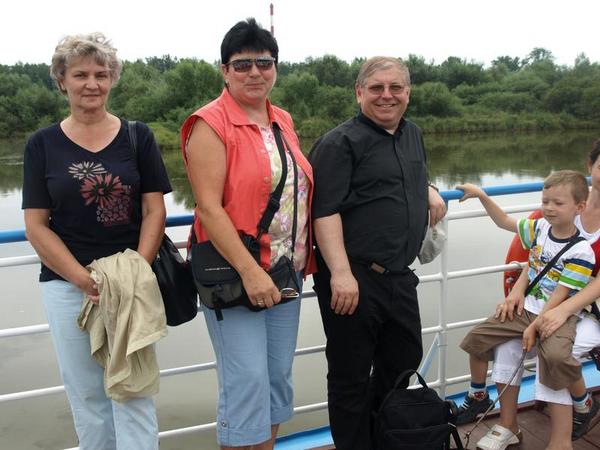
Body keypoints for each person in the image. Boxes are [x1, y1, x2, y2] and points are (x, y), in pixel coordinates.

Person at [22, 33, 171, 450]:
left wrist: (135, 272)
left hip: (131, 284)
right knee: (88, 396)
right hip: (68, 288)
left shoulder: (137, 136)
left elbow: (154, 211)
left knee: (134, 389)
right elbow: (36, 226)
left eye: (101, 74)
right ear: (61, 80)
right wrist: (84, 281)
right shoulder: (42, 145)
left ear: (112, 79)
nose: (92, 83)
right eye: (80, 74)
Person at [180, 18, 315, 450]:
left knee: (276, 379)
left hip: (285, 271)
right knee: (247, 383)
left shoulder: (282, 119)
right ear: (225, 70)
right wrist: (250, 272)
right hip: (237, 275)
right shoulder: (209, 123)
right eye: (242, 64)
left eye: (264, 62)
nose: (255, 72)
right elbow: (208, 207)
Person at [308, 56, 447, 450]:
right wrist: (340, 274)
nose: (387, 95)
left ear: (408, 93)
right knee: (350, 377)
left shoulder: (412, 133)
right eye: (376, 88)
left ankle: (383, 440)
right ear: (359, 93)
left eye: (395, 87)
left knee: (403, 362)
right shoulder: (339, 143)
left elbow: (408, 175)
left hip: (399, 276)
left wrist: (430, 189)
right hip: (352, 278)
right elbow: (324, 211)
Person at [456, 171, 595, 450]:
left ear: (579, 207)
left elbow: (560, 297)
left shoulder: (582, 252)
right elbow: (504, 221)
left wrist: (534, 326)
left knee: (554, 356)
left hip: (557, 316)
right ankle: (478, 394)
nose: (549, 208)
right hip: (526, 310)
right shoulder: (539, 228)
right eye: (545, 201)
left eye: (558, 203)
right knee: (476, 339)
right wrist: (482, 196)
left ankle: (583, 401)